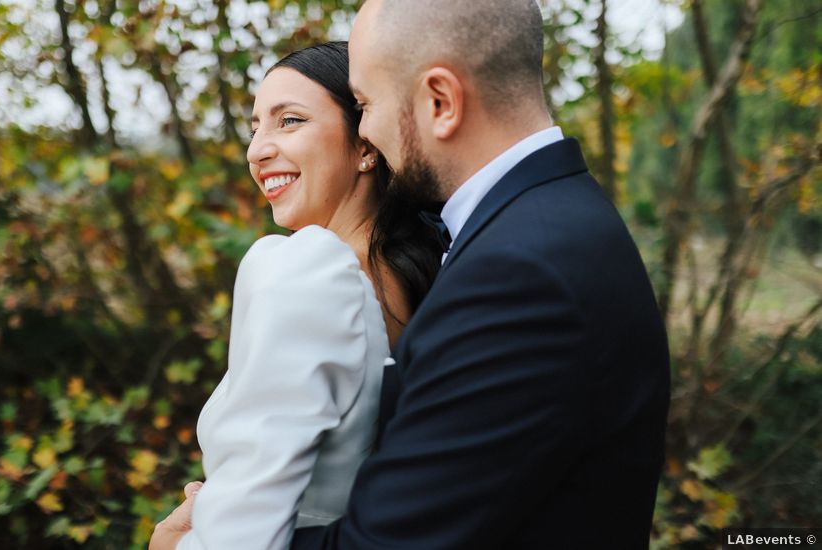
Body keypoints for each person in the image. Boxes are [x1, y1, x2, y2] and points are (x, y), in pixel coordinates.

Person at [158, 0, 671, 547]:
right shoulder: (548, 225)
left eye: (367, 104)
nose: (370, 129)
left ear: (440, 101)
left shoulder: (520, 273)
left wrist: (195, 540)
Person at [149, 42, 444, 550]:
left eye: (289, 121)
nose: (258, 149)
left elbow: (243, 531)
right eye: (256, 126)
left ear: (366, 144)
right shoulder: (424, 274)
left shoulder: (302, 270)